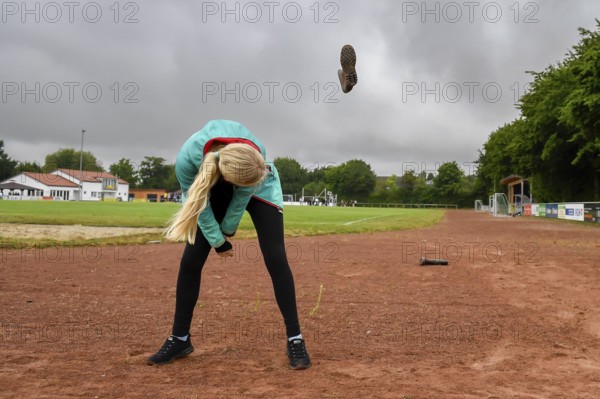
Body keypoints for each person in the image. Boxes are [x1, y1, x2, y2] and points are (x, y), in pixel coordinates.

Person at [147, 119, 311, 370]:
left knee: (276, 257)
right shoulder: (187, 160)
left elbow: (243, 194)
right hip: (211, 182)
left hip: (258, 179)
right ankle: (180, 338)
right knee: (190, 261)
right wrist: (216, 240)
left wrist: (227, 231)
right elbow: (198, 206)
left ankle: (295, 338)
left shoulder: (257, 155)